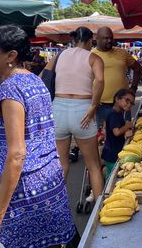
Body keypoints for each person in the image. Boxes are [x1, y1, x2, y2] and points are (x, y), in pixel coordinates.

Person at [0, 24, 75, 248]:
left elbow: (17, 154)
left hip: (28, 189)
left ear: (10, 56)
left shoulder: (11, 90)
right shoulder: (34, 80)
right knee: (49, 247)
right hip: (49, 179)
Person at [43, 26, 105, 197]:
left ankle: (55, 208)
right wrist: (94, 105)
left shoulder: (59, 55)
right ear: (90, 40)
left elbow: (43, 76)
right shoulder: (94, 58)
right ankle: (98, 213)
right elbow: (100, 80)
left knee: (62, 164)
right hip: (82, 109)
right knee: (93, 165)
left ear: (73, 40)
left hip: (58, 109)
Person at [92, 27, 142, 129]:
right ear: (96, 38)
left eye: (111, 38)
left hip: (123, 103)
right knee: (103, 135)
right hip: (101, 105)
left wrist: (134, 88)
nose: (109, 40)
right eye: (105, 38)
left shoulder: (122, 53)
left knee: (124, 133)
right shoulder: (91, 55)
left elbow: (138, 68)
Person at [102, 88, 135, 180]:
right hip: (112, 152)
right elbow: (116, 132)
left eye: (131, 103)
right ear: (117, 99)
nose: (129, 105)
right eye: (127, 101)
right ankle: (107, 191)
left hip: (112, 149)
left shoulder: (118, 113)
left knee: (110, 173)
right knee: (112, 176)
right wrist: (127, 126)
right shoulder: (113, 114)